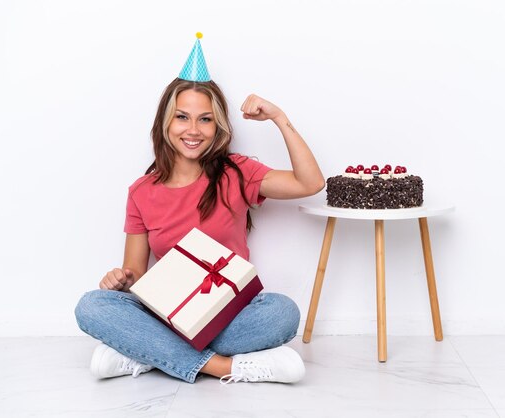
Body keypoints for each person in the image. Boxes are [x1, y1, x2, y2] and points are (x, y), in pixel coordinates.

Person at [74, 34, 324, 385]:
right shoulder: (141, 192)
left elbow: (310, 183)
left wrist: (279, 118)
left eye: (205, 119)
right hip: (167, 315)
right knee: (92, 305)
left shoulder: (236, 172)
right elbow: (135, 273)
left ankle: (145, 354)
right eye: (182, 117)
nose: (193, 130)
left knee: (282, 313)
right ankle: (224, 367)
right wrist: (121, 280)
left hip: (228, 315)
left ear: (217, 125)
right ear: (166, 122)